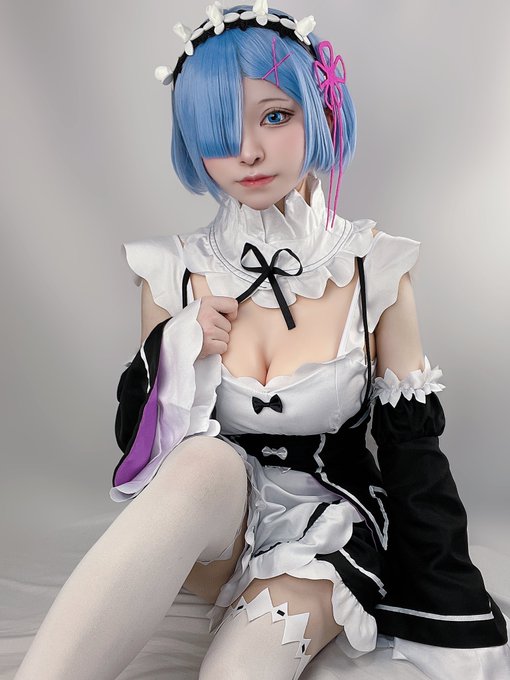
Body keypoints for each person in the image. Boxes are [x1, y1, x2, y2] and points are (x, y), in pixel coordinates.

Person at [14, 3, 510, 679]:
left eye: (274, 117)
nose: (247, 151)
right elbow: (144, 456)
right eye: (220, 131)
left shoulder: (374, 267)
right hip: (213, 526)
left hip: (323, 532)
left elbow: (413, 455)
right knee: (202, 461)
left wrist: (451, 615)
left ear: (320, 111)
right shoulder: (172, 271)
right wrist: (176, 349)